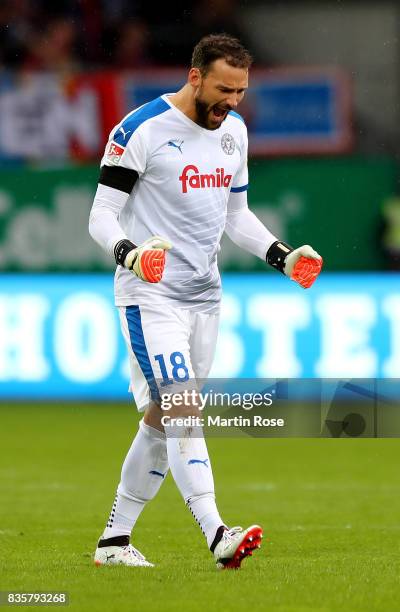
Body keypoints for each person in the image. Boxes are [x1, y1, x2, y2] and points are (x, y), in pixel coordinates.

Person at [88, 33, 322, 570]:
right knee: (183, 408)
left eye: (241, 91)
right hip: (150, 295)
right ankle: (218, 534)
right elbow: (101, 215)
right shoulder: (140, 130)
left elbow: (235, 215)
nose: (232, 102)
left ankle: (114, 542)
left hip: (205, 299)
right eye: (224, 89)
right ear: (195, 77)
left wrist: (281, 256)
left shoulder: (233, 132)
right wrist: (129, 254)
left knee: (163, 418)